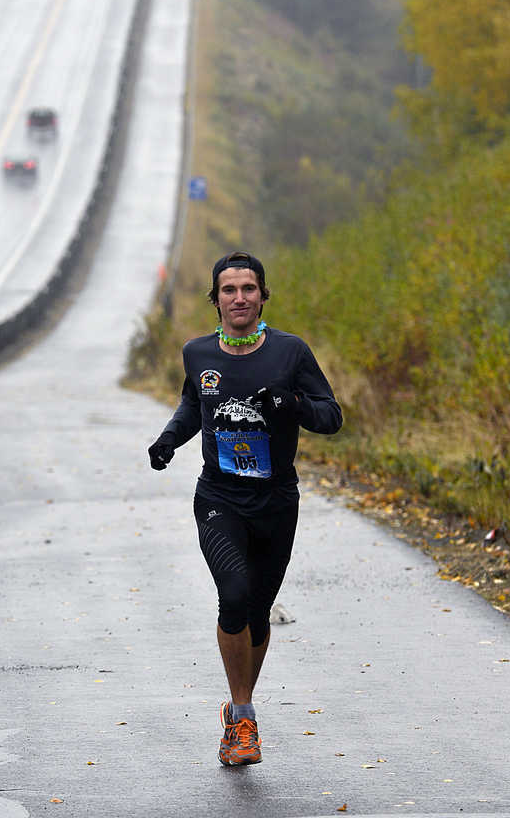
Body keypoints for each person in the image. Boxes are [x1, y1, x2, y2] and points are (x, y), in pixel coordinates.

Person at [148, 251, 342, 766]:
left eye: (248, 289)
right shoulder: (197, 353)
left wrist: (294, 404)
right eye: (228, 290)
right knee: (233, 597)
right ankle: (245, 715)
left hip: (276, 501)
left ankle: (237, 716)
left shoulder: (291, 353)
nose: (239, 298)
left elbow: (332, 416)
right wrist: (169, 440)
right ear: (215, 299)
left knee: (256, 614)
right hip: (219, 498)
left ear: (263, 296)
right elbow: (194, 404)